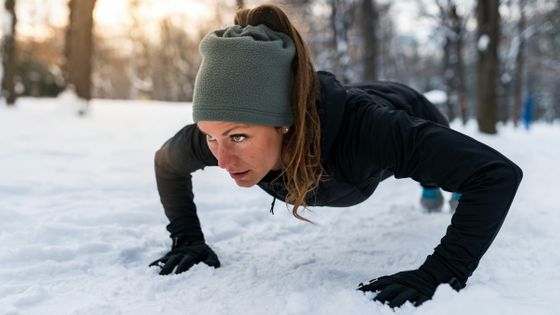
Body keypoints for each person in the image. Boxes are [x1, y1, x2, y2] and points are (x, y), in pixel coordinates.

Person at [149, 4, 523, 308]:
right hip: (331, 104)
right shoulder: (226, 134)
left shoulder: (370, 131)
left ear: (284, 123)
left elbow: (495, 175)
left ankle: (434, 190)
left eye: (239, 136)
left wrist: (441, 273)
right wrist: (187, 239)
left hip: (404, 103)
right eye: (210, 137)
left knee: (439, 177)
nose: (224, 160)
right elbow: (166, 162)